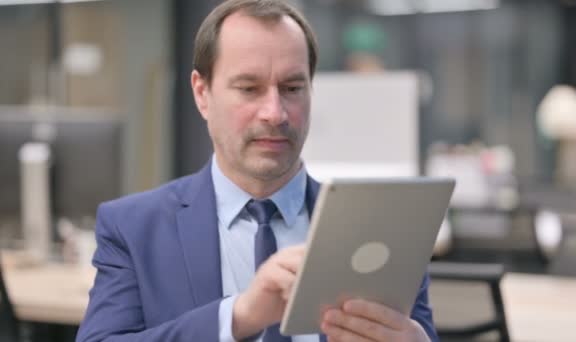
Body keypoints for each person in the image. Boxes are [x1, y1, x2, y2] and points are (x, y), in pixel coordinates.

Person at [76, 1, 437, 341]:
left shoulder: (380, 230)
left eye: (292, 88)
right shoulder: (134, 228)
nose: (275, 113)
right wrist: (238, 317)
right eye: (249, 89)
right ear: (202, 94)